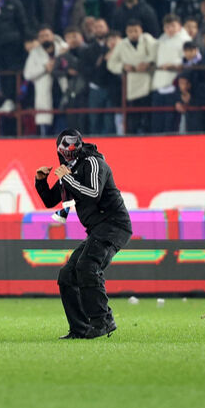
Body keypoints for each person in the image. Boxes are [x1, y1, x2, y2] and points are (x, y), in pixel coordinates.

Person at [33, 130, 130, 339]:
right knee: (67, 276)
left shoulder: (95, 163)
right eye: (64, 151)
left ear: (78, 147)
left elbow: (93, 193)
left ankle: (102, 320)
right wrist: (41, 181)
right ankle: (80, 328)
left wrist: (67, 178)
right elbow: (52, 201)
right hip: (97, 229)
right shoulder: (69, 169)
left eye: (71, 150)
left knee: (87, 266)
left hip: (114, 225)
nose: (67, 155)